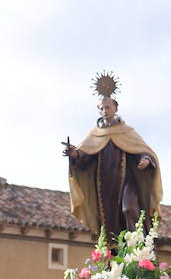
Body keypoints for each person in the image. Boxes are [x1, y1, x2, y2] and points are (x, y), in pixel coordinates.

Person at [64, 88, 161, 243]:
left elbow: (141, 150)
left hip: (126, 182)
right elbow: (85, 156)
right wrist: (75, 154)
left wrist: (146, 160)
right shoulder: (95, 135)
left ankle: (138, 247)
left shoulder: (126, 132)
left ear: (115, 108)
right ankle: (115, 256)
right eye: (101, 108)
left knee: (129, 209)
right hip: (105, 186)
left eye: (108, 107)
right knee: (109, 222)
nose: (105, 111)